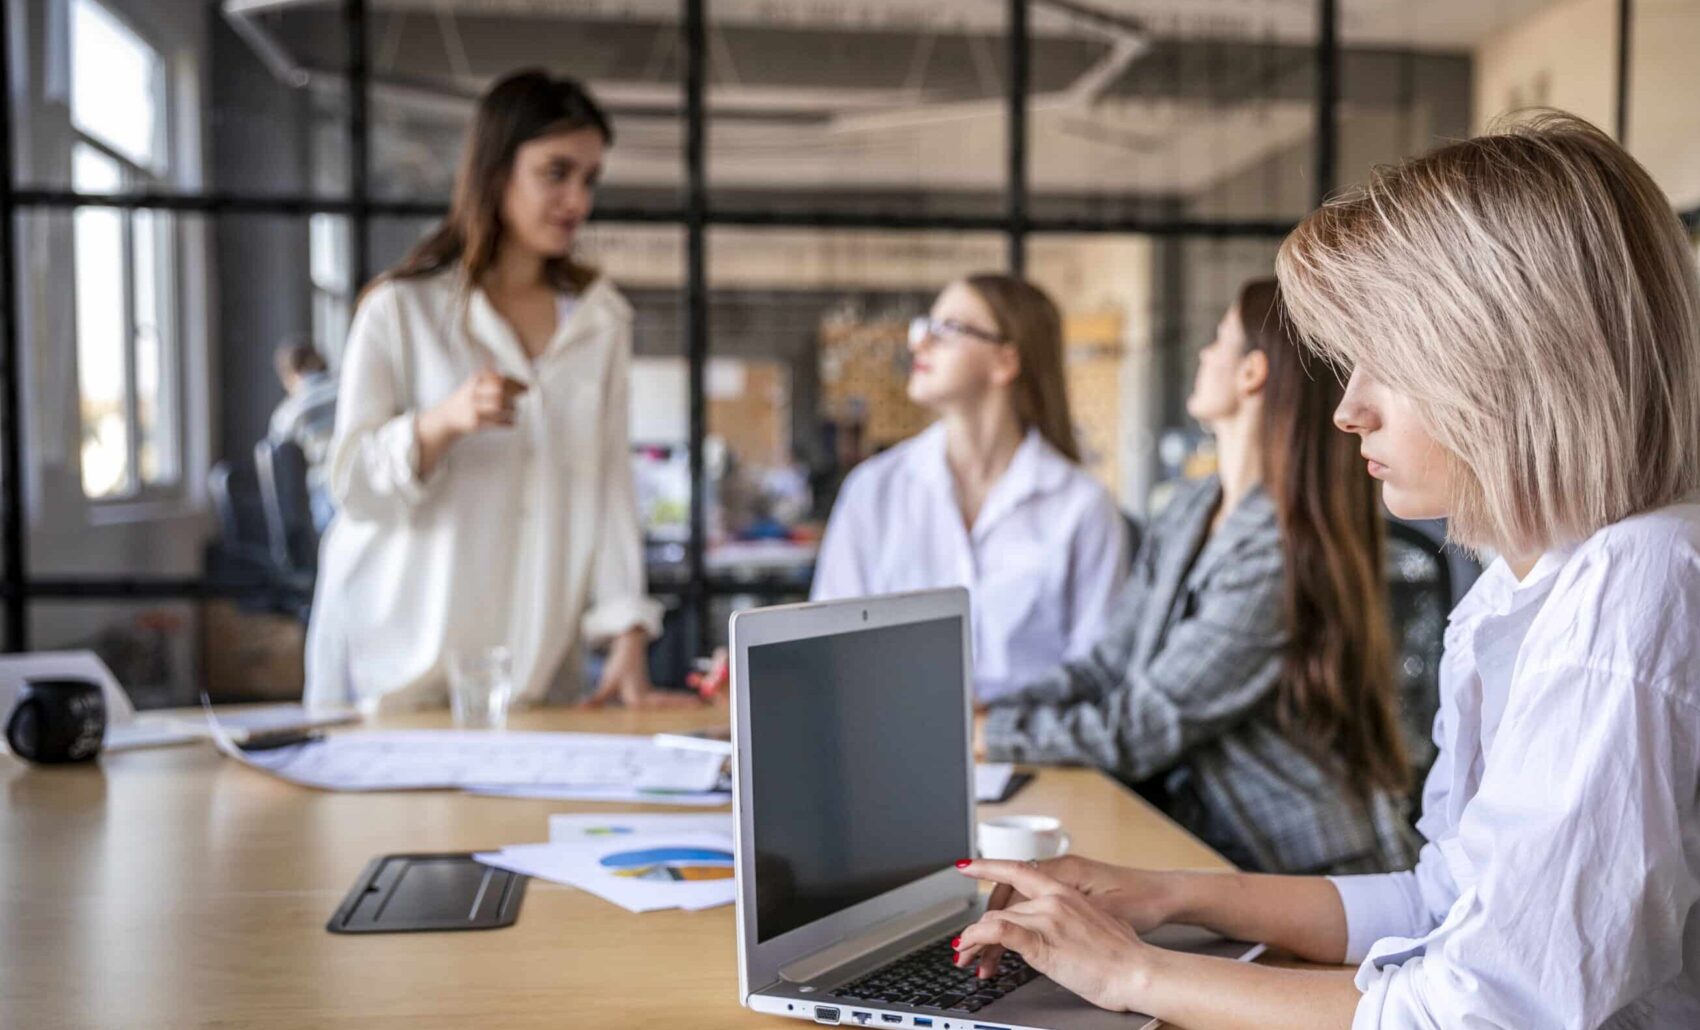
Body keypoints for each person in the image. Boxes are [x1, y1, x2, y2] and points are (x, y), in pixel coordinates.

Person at [950, 113, 1700, 1028]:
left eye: (1392, 362)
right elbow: (1444, 907)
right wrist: (1164, 896)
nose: (1348, 410)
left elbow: (1481, 1012)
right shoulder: (1527, 587)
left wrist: (1133, 977)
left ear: (1510, 359)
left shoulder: (1633, 586)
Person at [981, 278, 1412, 876]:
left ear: (1251, 374)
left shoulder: (1278, 549)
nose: (1204, 354)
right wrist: (989, 707)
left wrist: (992, 733)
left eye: (1218, 340)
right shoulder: (1192, 507)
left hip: (1296, 862)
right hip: (1201, 838)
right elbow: (1107, 665)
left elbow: (1142, 728)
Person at [305, 70, 694, 713]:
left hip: (531, 668)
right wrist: (442, 423)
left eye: (589, 179)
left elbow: (608, 485)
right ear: (495, 170)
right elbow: (350, 485)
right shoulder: (400, 310)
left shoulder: (601, 321)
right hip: (397, 665)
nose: (577, 199)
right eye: (556, 172)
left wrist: (627, 628)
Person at [810, 274, 1128, 700]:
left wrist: (995, 725)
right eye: (925, 327)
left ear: (1005, 362)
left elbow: (1100, 674)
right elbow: (829, 646)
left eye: (948, 329)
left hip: (1036, 753)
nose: (918, 343)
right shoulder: (873, 490)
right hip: (893, 747)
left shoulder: (1083, 507)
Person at [268, 338, 339, 531]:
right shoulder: (348, 390)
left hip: (323, 500)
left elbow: (279, 464)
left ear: (288, 375)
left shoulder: (287, 413)